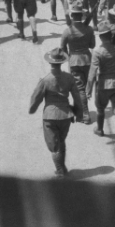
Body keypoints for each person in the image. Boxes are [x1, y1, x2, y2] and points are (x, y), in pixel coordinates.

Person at [29, 47, 84, 178]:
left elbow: (36, 97)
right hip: (65, 114)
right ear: (61, 62)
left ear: (50, 62)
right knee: (61, 141)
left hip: (50, 116)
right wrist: (79, 113)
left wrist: (32, 108)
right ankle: (63, 167)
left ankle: (60, 170)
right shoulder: (69, 78)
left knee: (54, 145)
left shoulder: (45, 80)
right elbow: (77, 97)